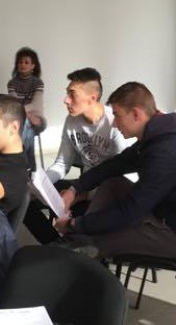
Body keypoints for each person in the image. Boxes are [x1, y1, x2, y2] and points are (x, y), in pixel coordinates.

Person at [51, 83, 176, 259]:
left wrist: (74, 224)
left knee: (93, 243)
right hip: (164, 213)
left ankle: (80, 246)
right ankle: (80, 240)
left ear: (136, 114)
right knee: (112, 183)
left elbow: (129, 212)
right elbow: (114, 165)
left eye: (117, 115)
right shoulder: (156, 136)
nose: (114, 123)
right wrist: (74, 189)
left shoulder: (164, 153)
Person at [23, 68, 133, 243]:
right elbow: (61, 164)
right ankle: (55, 245)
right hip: (83, 186)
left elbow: (119, 179)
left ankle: (74, 248)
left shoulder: (115, 123)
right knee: (24, 200)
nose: (66, 100)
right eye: (67, 93)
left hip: (107, 193)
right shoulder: (71, 121)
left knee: (79, 226)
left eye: (72, 94)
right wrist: (40, 186)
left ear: (92, 98)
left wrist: (78, 196)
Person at [5, 47, 46, 155]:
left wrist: (28, 115)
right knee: (26, 126)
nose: (22, 64)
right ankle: (26, 162)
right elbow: (15, 105)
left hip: (37, 119)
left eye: (26, 62)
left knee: (25, 126)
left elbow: (35, 105)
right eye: (20, 62)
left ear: (33, 66)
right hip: (19, 118)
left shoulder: (38, 83)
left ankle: (20, 159)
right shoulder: (12, 83)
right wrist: (28, 115)